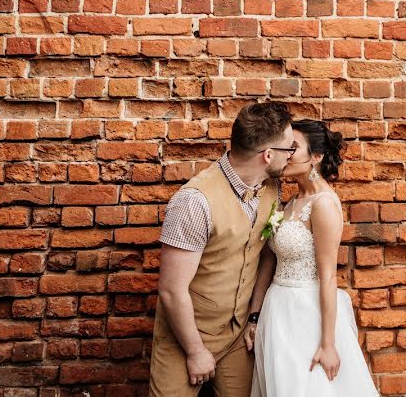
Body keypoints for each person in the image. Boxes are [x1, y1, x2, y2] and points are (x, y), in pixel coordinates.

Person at [149, 102, 297, 397]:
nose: (292, 156)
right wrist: (194, 351)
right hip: (186, 336)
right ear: (268, 156)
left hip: (238, 335)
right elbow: (171, 290)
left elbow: (264, 254)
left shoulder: (271, 188)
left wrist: (253, 317)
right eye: (289, 149)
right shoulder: (194, 201)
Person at [246, 119, 379, 397]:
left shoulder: (324, 205)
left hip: (306, 315)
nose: (287, 153)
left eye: (293, 147)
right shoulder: (290, 201)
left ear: (316, 157)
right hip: (277, 311)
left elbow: (328, 277)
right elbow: (269, 262)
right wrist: (255, 316)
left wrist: (328, 344)